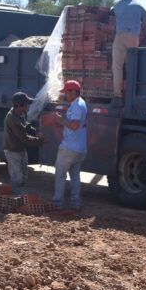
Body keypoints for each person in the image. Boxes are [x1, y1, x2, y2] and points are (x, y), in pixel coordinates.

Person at [110, 0, 146, 101]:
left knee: (117, 66)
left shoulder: (117, 3)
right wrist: (145, 29)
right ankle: (131, 94)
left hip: (120, 36)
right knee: (132, 66)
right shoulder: (138, 6)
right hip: (133, 37)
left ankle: (117, 95)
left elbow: (111, 12)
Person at [52, 80, 88, 210]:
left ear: (73, 92)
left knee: (60, 174)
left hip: (69, 148)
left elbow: (74, 125)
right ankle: (75, 203)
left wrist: (60, 120)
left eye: (67, 92)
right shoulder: (81, 103)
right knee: (75, 176)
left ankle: (57, 203)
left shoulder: (77, 105)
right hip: (80, 148)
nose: (65, 95)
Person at [3, 91, 44, 195]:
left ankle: (19, 195)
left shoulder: (21, 113)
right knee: (17, 177)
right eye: (26, 104)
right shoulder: (12, 118)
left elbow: (26, 125)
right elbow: (25, 138)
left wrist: (36, 132)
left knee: (24, 175)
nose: (28, 106)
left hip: (21, 149)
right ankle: (15, 198)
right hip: (13, 151)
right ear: (19, 105)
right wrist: (40, 141)